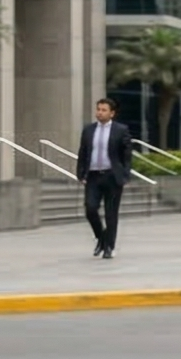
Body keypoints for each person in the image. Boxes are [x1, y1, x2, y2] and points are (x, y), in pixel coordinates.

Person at [76, 96, 134, 261]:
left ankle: (109, 246)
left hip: (112, 176)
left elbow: (127, 155)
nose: (99, 113)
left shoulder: (120, 130)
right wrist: (80, 173)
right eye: (98, 109)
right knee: (90, 208)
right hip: (93, 176)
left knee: (111, 213)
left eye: (103, 110)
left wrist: (125, 174)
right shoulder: (88, 130)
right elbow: (83, 152)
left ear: (112, 113)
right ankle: (101, 237)